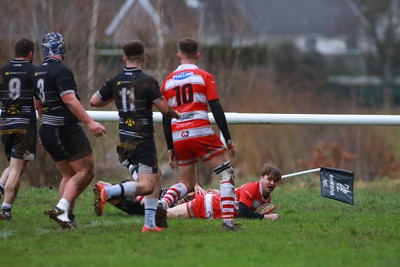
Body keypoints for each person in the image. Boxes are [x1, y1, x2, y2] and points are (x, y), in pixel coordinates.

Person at [89, 40, 180, 232]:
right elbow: (164, 109)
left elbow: (94, 101)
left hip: (125, 138)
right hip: (143, 139)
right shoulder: (148, 81)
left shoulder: (115, 81)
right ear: (144, 58)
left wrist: (114, 96)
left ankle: (149, 224)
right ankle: (109, 191)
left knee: (156, 176)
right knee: (147, 185)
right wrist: (177, 114)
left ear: (124, 59)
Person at [160, 37, 238, 230]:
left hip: (179, 135)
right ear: (197, 55)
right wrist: (227, 138)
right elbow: (216, 108)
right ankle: (228, 223)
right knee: (226, 174)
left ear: (178, 55)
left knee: (186, 184)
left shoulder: (167, 82)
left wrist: (170, 146)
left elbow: (165, 116)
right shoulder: (204, 76)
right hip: (200, 132)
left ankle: (159, 207)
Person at [34, 32, 106, 229]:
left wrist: (44, 127)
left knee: (68, 174)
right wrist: (90, 122)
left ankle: (68, 215)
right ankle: (61, 208)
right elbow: (69, 100)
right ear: (61, 49)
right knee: (86, 171)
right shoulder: (61, 72)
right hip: (64, 128)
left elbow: (38, 104)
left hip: (48, 129)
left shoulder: (37, 72)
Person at [0, 39, 37, 221]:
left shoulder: (3, 71)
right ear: (30, 54)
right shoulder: (34, 71)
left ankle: (1, 188)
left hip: (5, 124)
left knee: (16, 166)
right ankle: (6, 210)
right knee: (16, 169)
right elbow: (39, 100)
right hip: (24, 124)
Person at [167, 164, 281, 221]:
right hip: (207, 205)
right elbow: (242, 211)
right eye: (269, 179)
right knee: (168, 214)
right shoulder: (251, 188)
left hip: (213, 212)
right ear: (261, 178)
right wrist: (266, 217)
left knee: (170, 214)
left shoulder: (267, 198)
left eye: (275, 181)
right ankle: (152, 209)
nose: (272, 183)